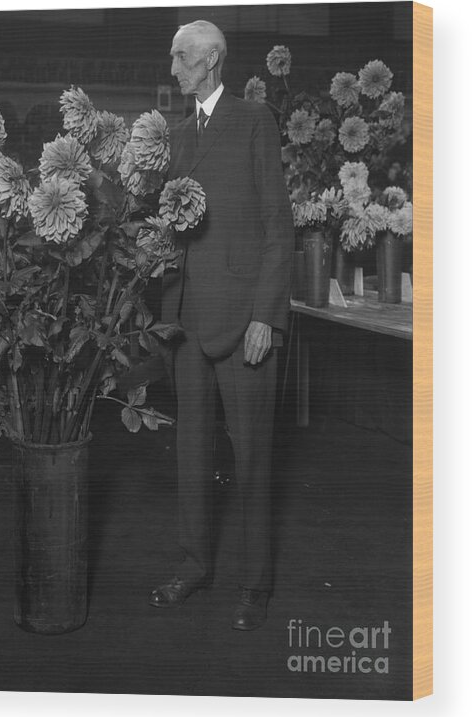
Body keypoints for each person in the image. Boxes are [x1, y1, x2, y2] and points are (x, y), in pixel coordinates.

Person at [149, 20, 294, 630]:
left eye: (181, 59)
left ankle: (255, 585)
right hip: (187, 323)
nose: (174, 70)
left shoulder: (254, 120)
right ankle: (193, 565)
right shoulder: (176, 137)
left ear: (209, 61)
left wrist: (266, 316)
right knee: (190, 454)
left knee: (253, 457)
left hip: (244, 325)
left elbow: (278, 228)